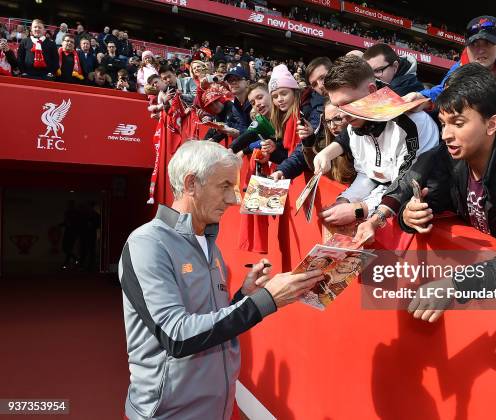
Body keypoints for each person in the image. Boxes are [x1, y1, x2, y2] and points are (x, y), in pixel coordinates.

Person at [119, 140, 324, 419]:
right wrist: (267, 301)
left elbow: (210, 320)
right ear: (191, 184)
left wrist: (245, 296)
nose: (234, 199)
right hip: (166, 413)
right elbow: (176, 337)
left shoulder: (209, 243)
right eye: (224, 186)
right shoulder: (147, 243)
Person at [390, 63, 496, 322]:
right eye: (442, 123)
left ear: (492, 124)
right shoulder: (452, 157)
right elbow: (430, 201)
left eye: (458, 123)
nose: (446, 135)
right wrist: (410, 216)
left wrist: (457, 284)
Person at [313, 55, 439, 226]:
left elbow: (404, 184)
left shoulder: (412, 123)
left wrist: (361, 209)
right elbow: (369, 173)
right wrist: (346, 200)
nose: (342, 116)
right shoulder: (353, 125)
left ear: (372, 91)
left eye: (348, 104)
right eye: (338, 106)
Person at [407, 15, 496, 127]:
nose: (480, 50)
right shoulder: (460, 67)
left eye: (488, 42)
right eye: (474, 44)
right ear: (466, 47)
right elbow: (444, 91)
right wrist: (422, 98)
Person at [272, 99, 356, 184]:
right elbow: (304, 160)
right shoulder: (325, 138)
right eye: (328, 121)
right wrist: (282, 171)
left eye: (338, 119)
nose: (332, 126)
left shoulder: (362, 139)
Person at [302, 56, 332, 129]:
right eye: (314, 84)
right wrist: (311, 133)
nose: (320, 86)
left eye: (322, 78)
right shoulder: (316, 108)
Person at [223, 65, 252, 136]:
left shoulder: (255, 102)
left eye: (237, 79)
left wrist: (239, 132)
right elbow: (232, 123)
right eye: (230, 80)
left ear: (247, 83)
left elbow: (258, 131)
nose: (233, 82)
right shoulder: (235, 105)